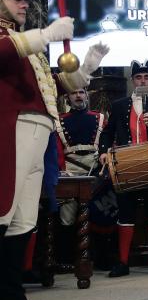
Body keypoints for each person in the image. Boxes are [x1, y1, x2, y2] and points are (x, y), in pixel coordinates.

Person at [0, 0, 107, 300]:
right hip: (7, 131)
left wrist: (88, 68)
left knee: (23, 221)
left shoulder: (22, 42)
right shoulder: (14, 40)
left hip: (37, 132)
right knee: (1, 215)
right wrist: (45, 36)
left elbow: (54, 87)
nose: (24, 4)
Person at [98, 60, 148, 277]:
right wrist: (104, 151)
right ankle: (123, 262)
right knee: (125, 213)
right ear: (133, 81)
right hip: (126, 164)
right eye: (138, 77)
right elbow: (107, 133)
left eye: (146, 77)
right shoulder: (119, 105)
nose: (142, 80)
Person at [55, 88, 106, 265]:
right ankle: (66, 259)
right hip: (69, 171)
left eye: (81, 92)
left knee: (98, 212)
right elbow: (57, 150)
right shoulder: (59, 120)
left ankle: (99, 258)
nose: (78, 96)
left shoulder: (99, 117)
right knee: (66, 216)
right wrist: (61, 169)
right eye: (74, 93)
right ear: (68, 97)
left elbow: (106, 144)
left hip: (94, 171)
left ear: (86, 95)